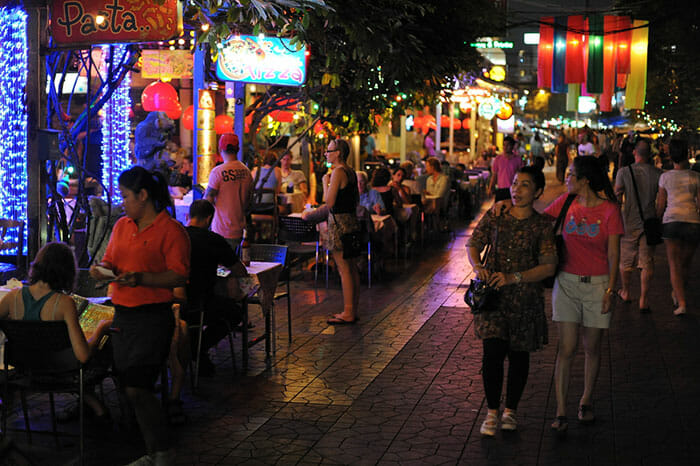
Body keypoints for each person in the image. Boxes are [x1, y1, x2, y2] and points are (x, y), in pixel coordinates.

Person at [90, 166, 190, 465]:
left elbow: (179, 277)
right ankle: (154, 450)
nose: (122, 202)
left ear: (143, 195)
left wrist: (142, 279)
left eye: (125, 196)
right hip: (122, 316)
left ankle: (163, 450)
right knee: (128, 387)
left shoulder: (171, 231)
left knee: (137, 385)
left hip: (153, 318)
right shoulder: (122, 225)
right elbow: (110, 261)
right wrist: (101, 271)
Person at [467, 166, 556, 436]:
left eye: (525, 185)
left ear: (538, 191)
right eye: (515, 183)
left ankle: (511, 410)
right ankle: (492, 411)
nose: (517, 189)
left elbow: (549, 266)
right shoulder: (497, 215)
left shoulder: (542, 225)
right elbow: (473, 243)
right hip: (492, 299)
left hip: (524, 301)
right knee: (492, 352)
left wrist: (513, 277)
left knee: (519, 356)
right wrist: (477, 266)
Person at [544, 156, 623, 433]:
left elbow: (614, 253)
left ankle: (586, 400)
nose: (566, 179)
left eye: (570, 175)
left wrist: (612, 289)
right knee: (566, 348)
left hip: (598, 284)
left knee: (592, 347)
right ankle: (562, 409)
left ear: (584, 180)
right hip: (566, 282)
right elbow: (538, 223)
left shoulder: (611, 211)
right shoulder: (566, 203)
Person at [0, 243, 113, 421]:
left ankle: (94, 406)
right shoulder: (65, 303)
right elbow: (82, 356)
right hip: (62, 371)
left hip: (25, 371)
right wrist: (101, 329)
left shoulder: (12, 297)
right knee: (104, 349)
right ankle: (100, 410)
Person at [183, 199, 247, 375]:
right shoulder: (213, 240)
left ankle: (195, 348)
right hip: (202, 303)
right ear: (209, 218)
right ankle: (198, 347)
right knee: (235, 313)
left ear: (189, 215)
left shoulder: (178, 235)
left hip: (176, 303)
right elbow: (239, 270)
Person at [315, 139, 361, 325]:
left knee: (344, 269)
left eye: (329, 150)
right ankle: (352, 309)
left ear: (338, 153)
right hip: (350, 222)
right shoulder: (351, 172)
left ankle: (348, 312)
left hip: (339, 224)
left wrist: (325, 182)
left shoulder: (337, 173)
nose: (326, 153)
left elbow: (330, 202)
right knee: (351, 268)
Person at [614, 138, 661, 312]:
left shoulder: (623, 172)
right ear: (649, 154)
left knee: (626, 261)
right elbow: (661, 200)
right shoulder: (658, 173)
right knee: (646, 262)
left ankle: (626, 291)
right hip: (649, 223)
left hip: (629, 221)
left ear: (634, 152)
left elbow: (617, 198)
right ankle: (644, 299)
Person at [656, 139, 700, 316]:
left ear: (670, 155)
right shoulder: (696, 177)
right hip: (692, 221)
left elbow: (661, 204)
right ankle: (678, 292)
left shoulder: (665, 177)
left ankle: (681, 302)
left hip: (671, 221)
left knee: (674, 264)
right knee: (686, 264)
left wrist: (656, 220)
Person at [205, 133, 254, 249]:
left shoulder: (217, 172)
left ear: (220, 148)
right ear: (238, 149)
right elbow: (249, 201)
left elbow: (207, 202)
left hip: (221, 230)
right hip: (241, 230)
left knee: (221, 266)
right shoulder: (246, 172)